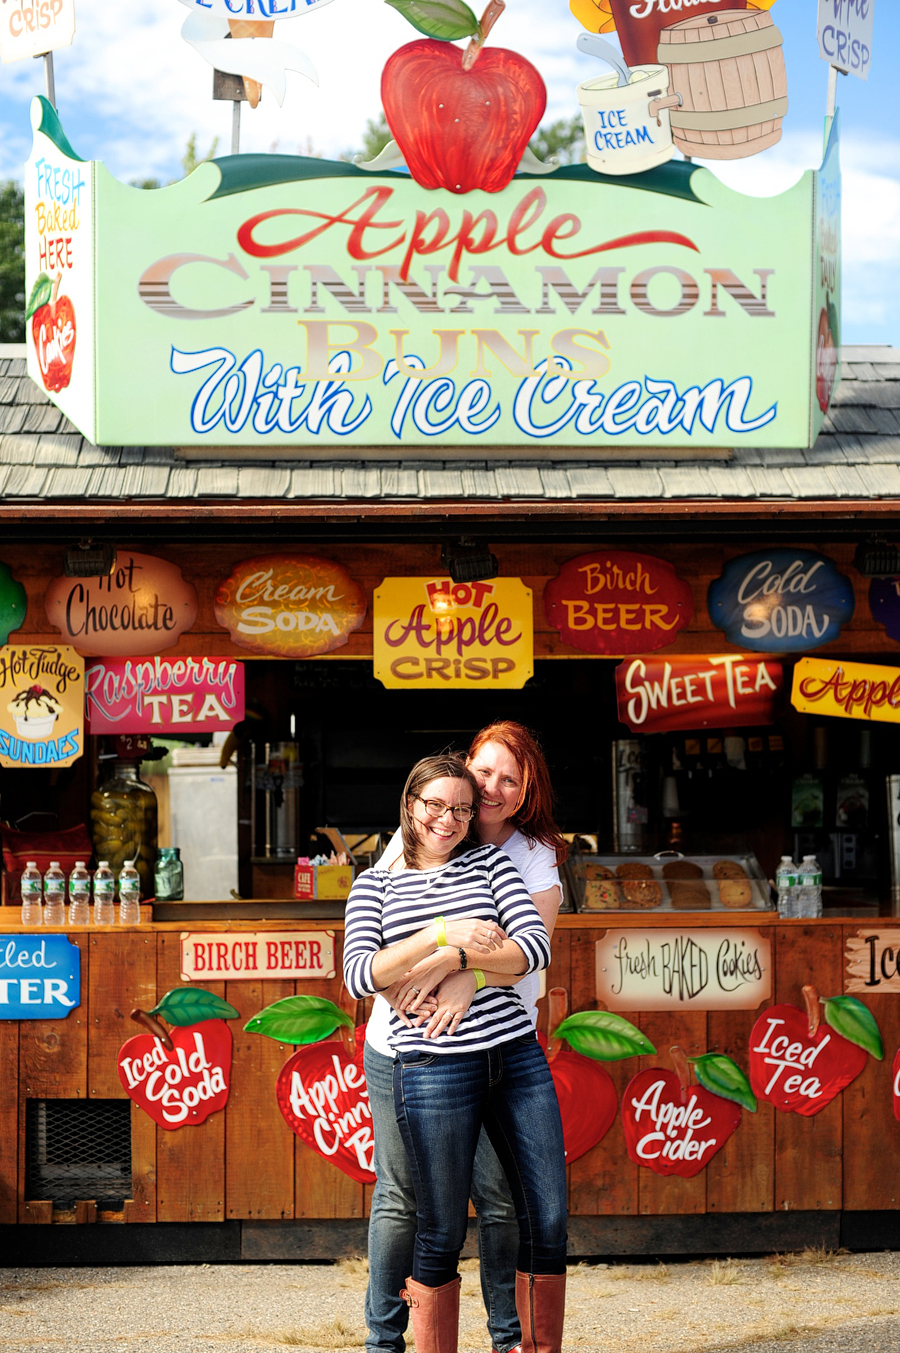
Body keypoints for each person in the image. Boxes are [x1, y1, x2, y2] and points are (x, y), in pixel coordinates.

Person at [344, 751, 568, 1353]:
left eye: (462, 810)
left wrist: (457, 960)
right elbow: (361, 975)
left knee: (544, 1214)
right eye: (436, 806)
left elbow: (531, 949)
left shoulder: (494, 864)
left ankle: (522, 1347)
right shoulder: (374, 886)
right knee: (437, 1226)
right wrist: (441, 932)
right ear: (411, 807)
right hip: (432, 1065)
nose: (449, 820)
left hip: (515, 1054)